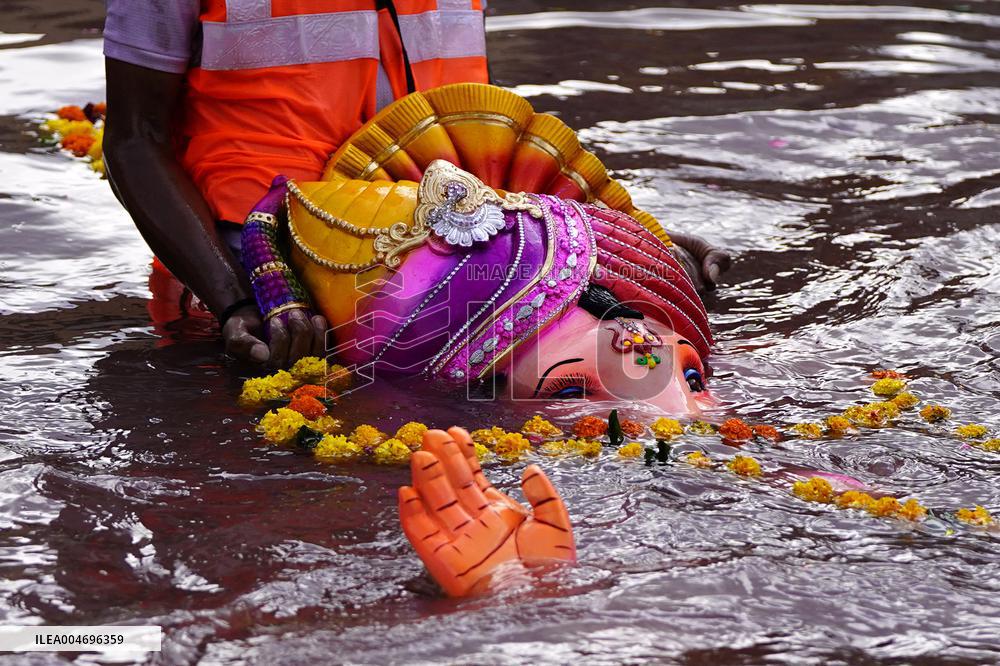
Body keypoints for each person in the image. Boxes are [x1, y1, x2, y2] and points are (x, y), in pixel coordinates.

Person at [102, 2, 729, 369]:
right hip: (263, 251)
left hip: (453, 232)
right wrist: (236, 301)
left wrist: (628, 240)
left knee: (647, 341)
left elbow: (474, 129)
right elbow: (133, 139)